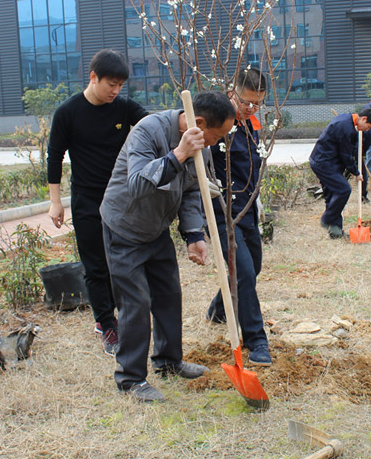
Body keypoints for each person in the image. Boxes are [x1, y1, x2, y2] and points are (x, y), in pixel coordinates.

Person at [100, 91, 236, 403]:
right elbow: (137, 185)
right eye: (217, 136)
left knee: (168, 295)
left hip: (157, 227)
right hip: (125, 227)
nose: (216, 143)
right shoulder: (148, 131)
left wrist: (193, 235)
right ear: (199, 123)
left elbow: (192, 190)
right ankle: (131, 379)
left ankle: (168, 361)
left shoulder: (201, 144)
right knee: (136, 303)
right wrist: (178, 154)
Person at [47, 49, 148, 356]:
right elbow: (54, 156)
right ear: (93, 77)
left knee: (122, 259)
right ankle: (106, 323)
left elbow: (151, 124)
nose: (115, 92)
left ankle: (123, 314)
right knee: (95, 264)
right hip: (86, 199)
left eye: (120, 86)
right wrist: (55, 202)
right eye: (111, 85)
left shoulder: (123, 108)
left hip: (120, 197)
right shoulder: (68, 112)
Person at [205, 67, 272, 367]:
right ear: (233, 92)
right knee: (243, 272)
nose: (251, 108)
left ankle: (220, 309)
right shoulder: (220, 117)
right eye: (246, 101)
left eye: (258, 103)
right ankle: (256, 340)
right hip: (221, 211)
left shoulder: (252, 122)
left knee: (252, 266)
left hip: (245, 209)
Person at [309, 107, 371, 239]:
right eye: (368, 127)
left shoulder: (347, 121)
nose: (366, 130)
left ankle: (335, 232)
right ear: (364, 119)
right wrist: (356, 172)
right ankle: (327, 219)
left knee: (332, 195)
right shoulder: (345, 127)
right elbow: (346, 154)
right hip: (323, 162)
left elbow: (349, 150)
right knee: (343, 189)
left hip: (329, 161)